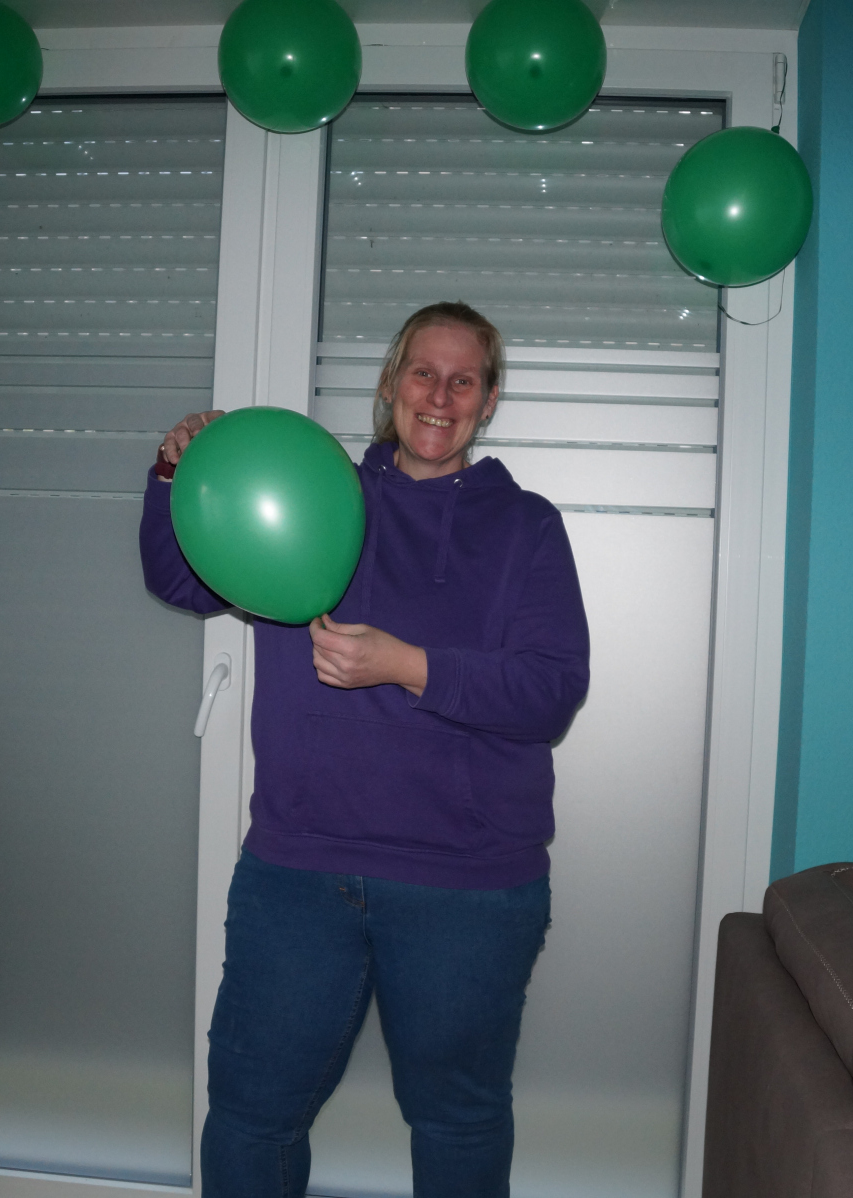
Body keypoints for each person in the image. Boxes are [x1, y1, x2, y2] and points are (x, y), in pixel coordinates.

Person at [139, 300, 591, 1197]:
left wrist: (407, 666)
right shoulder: (308, 496)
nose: (440, 396)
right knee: (250, 1116)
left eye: (464, 380)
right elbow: (178, 578)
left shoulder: (526, 526)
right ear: (390, 383)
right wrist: (173, 472)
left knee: (458, 1123)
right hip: (298, 876)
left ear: (488, 400)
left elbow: (550, 691)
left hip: (468, 888)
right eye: (423, 372)